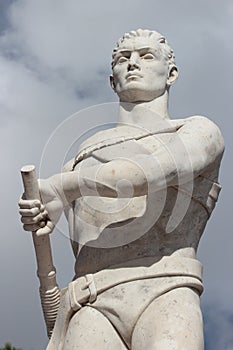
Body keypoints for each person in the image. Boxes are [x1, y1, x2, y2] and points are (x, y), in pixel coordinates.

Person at [19, 29, 224, 350]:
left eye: (145, 56)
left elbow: (143, 174)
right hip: (91, 302)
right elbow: (48, 215)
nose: (132, 64)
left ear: (171, 73)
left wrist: (61, 185)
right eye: (122, 59)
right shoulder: (78, 160)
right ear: (112, 81)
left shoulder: (197, 131)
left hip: (166, 290)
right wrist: (38, 211)